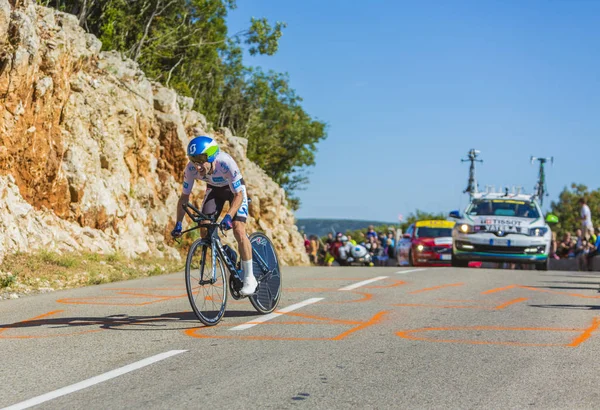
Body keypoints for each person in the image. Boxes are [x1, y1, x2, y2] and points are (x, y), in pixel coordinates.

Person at [171, 136, 256, 296]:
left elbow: (238, 195)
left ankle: (250, 277)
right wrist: (178, 223)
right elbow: (184, 198)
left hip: (235, 191)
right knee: (204, 226)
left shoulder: (226, 163)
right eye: (193, 160)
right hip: (214, 190)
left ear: (211, 157)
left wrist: (229, 216)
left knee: (238, 229)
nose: (197, 166)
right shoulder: (190, 169)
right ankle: (227, 253)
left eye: (201, 160)